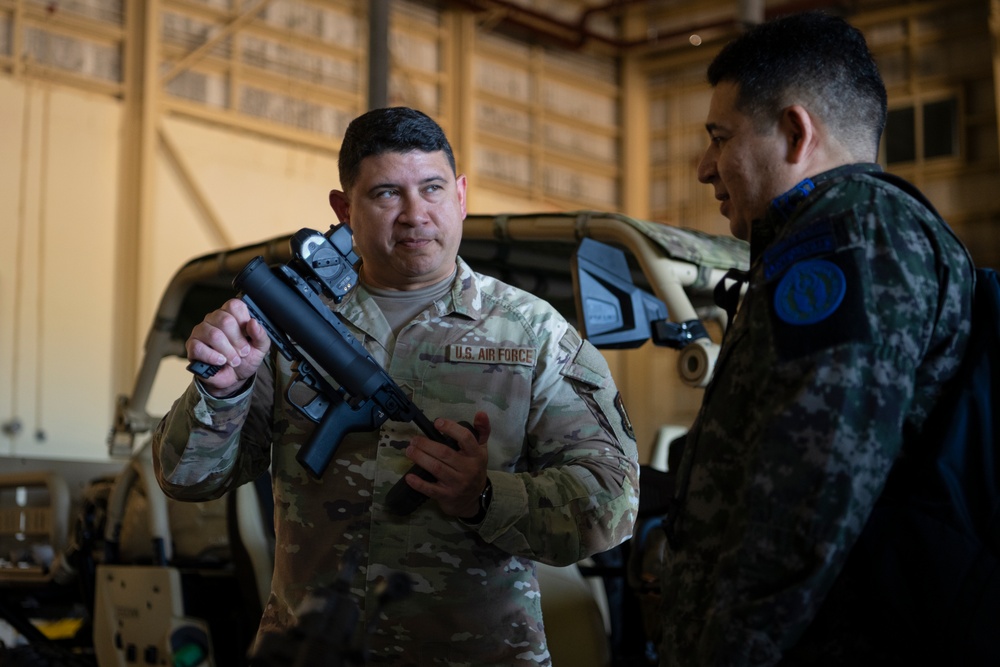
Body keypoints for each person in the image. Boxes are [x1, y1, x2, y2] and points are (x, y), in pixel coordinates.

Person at [152, 106, 639, 666]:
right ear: (344, 209)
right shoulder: (286, 324)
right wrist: (222, 391)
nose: (415, 215)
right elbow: (185, 478)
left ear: (460, 195)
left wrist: (483, 496)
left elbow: (613, 503)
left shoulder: (535, 334)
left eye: (432, 189)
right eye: (386, 194)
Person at [657, 11, 975, 666]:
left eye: (721, 137)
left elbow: (813, 480)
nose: (703, 167)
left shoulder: (851, 230)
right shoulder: (832, 237)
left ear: (796, 132)